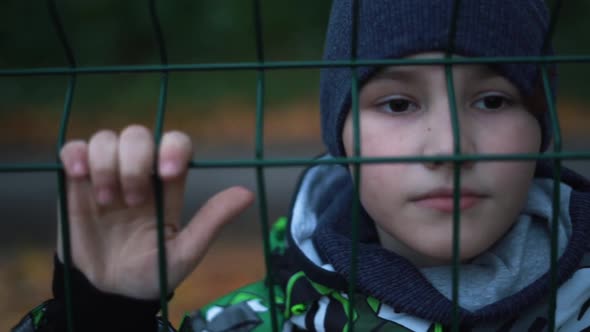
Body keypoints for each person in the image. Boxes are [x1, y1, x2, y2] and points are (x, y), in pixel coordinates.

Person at [13, 0, 590, 331]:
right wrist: (100, 316)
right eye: (397, 103)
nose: (450, 147)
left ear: (541, 127)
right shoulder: (259, 323)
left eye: (493, 100)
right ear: (339, 134)